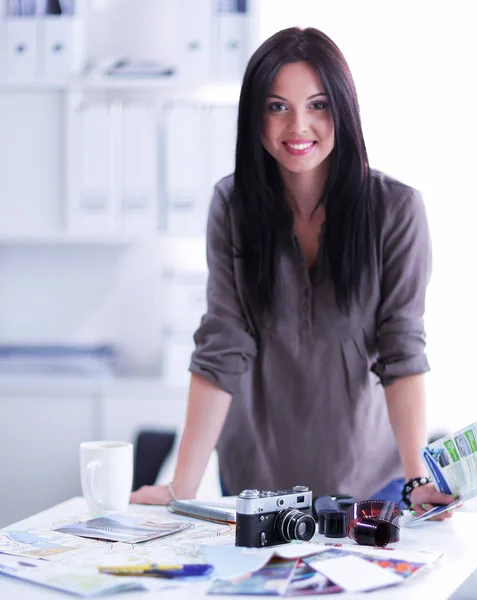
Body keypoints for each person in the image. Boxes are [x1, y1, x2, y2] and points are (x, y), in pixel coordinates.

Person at [131, 27, 455, 520]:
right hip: (254, 483)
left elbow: (402, 349)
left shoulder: (397, 210)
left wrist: (416, 479)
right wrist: (182, 487)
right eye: (277, 106)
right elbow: (222, 346)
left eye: (318, 105)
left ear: (343, 109)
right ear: (254, 115)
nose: (298, 125)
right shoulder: (233, 205)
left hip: (370, 484)